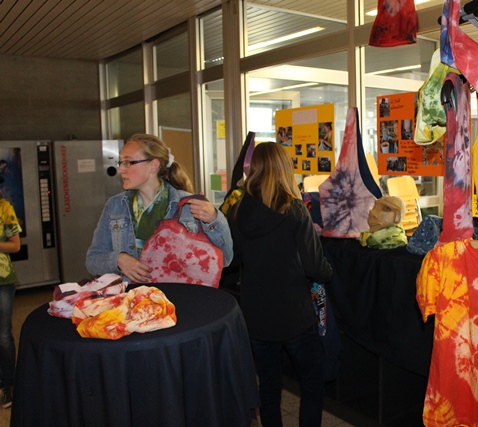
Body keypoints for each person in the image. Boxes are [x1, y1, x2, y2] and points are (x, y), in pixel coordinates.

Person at [228, 142, 332, 427]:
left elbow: (234, 257)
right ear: (285, 168)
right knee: (311, 383)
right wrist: (329, 274)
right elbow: (315, 266)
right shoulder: (295, 210)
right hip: (295, 314)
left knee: (269, 385)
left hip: (256, 316)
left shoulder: (238, 210)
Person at [86, 134, 233, 283]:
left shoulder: (189, 205)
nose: (121, 170)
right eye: (120, 163)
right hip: (133, 295)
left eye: (128, 162)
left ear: (154, 165)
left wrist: (214, 219)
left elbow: (225, 260)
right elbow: (92, 260)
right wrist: (119, 260)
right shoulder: (116, 206)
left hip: (180, 294)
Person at [0, 187, 21, 409]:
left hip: (2, 280)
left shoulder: (4, 208)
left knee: (3, 335)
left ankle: (9, 385)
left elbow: (15, 245)